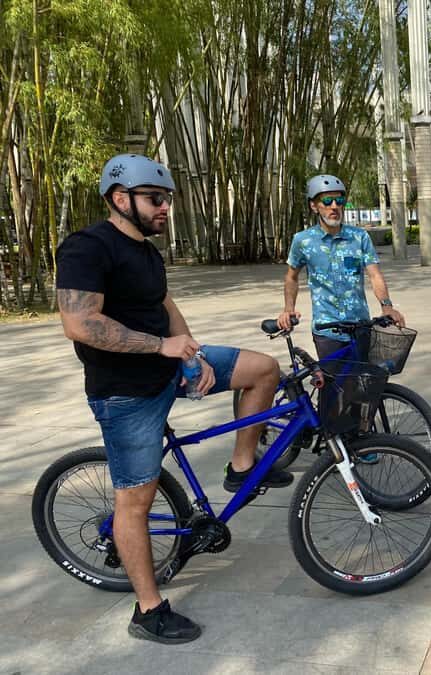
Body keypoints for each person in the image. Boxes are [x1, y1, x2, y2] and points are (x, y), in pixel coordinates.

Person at [55, 154, 287, 644]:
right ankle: (148, 609)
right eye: (156, 199)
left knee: (264, 370)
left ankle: (242, 463)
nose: (165, 209)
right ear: (121, 199)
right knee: (134, 502)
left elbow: (164, 304)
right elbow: (80, 323)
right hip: (126, 395)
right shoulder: (88, 247)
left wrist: (193, 353)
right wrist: (161, 346)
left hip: (169, 372)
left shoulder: (147, 252)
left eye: (168, 201)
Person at [277, 174, 405, 358]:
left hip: (360, 325)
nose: (334, 207)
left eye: (339, 200)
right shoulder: (303, 240)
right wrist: (288, 309)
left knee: (364, 382)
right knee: (334, 384)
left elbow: (374, 275)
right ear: (314, 206)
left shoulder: (359, 237)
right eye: (327, 201)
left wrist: (387, 307)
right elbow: (291, 277)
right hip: (327, 329)